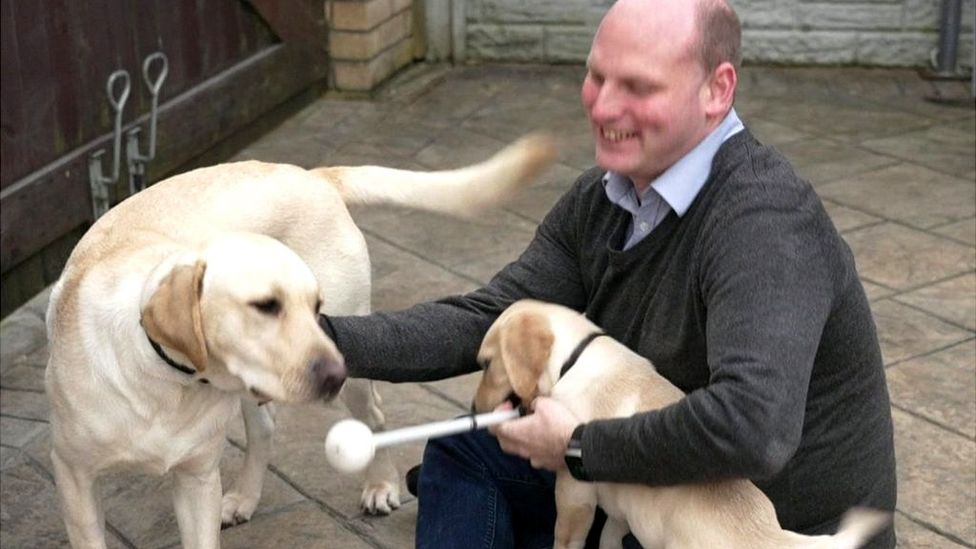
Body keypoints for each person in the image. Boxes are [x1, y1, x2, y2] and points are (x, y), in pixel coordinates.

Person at [319, 0, 897, 546]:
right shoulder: (604, 199)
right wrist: (318, 342)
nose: (602, 106)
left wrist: (578, 447)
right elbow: (490, 320)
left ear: (717, 90)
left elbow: (754, 429)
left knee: (492, 474)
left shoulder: (764, 223)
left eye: (638, 86)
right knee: (464, 448)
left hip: (758, 530)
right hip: (650, 494)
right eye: (597, 76)